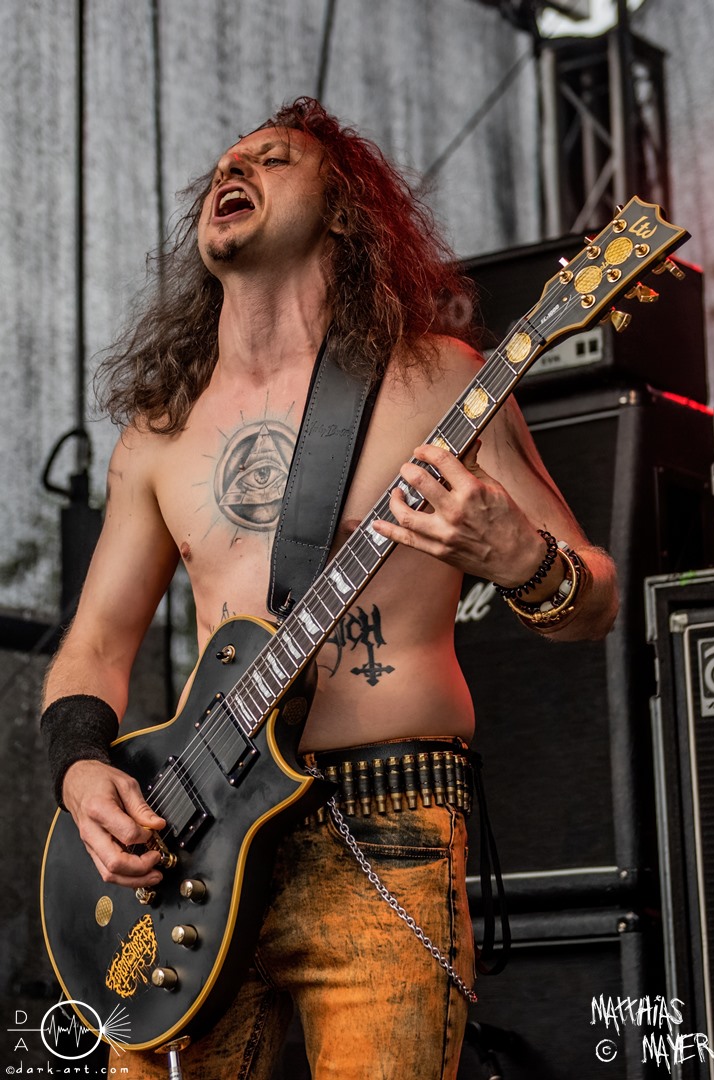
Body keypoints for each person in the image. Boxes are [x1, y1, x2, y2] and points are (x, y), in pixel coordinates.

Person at [41, 97, 618, 1079]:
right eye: (227, 163)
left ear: (345, 211)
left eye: (273, 159)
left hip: (386, 816)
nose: (235, 169)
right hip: (189, 841)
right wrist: (79, 769)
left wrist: (520, 556)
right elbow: (95, 644)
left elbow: (594, 601)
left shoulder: (439, 381)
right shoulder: (160, 431)